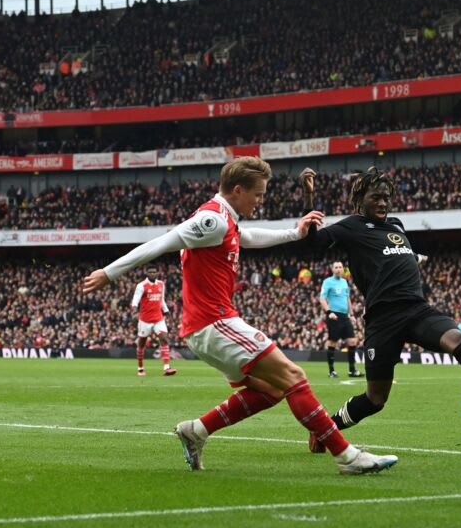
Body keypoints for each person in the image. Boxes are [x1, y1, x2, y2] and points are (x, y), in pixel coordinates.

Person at [83, 157, 396, 475]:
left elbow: (247, 237)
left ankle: (196, 430)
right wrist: (110, 272)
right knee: (293, 376)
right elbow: (163, 241)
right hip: (213, 322)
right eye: (258, 194)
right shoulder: (213, 220)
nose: (260, 201)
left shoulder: (225, 219)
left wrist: (294, 233)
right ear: (237, 190)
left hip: (207, 326)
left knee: (272, 389)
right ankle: (348, 457)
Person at [301, 167, 461, 452]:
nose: (383, 202)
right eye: (376, 197)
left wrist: (414, 259)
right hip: (383, 319)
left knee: (457, 339)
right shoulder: (351, 226)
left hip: (416, 309)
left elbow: (392, 258)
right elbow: (313, 243)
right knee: (375, 399)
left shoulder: (396, 225)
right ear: (359, 200)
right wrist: (308, 198)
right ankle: (325, 431)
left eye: (386, 197)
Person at [319, 261, 363, 378]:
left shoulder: (344, 282)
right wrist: (329, 312)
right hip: (334, 315)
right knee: (333, 342)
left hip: (345, 316)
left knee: (352, 341)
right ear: (332, 269)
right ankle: (331, 371)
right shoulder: (327, 282)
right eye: (336, 267)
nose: (338, 269)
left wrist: (351, 314)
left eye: (340, 267)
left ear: (343, 269)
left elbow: (347, 299)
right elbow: (322, 299)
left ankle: (352, 370)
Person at [131, 265, 177, 377]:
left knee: (164, 339)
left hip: (158, 319)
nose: (152, 274)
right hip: (145, 320)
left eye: (154, 272)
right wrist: (134, 310)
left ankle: (167, 368)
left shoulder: (161, 284)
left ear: (157, 273)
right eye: (150, 272)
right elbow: (135, 300)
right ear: (147, 273)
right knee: (141, 344)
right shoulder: (141, 285)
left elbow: (161, 301)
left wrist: (167, 313)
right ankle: (140, 368)